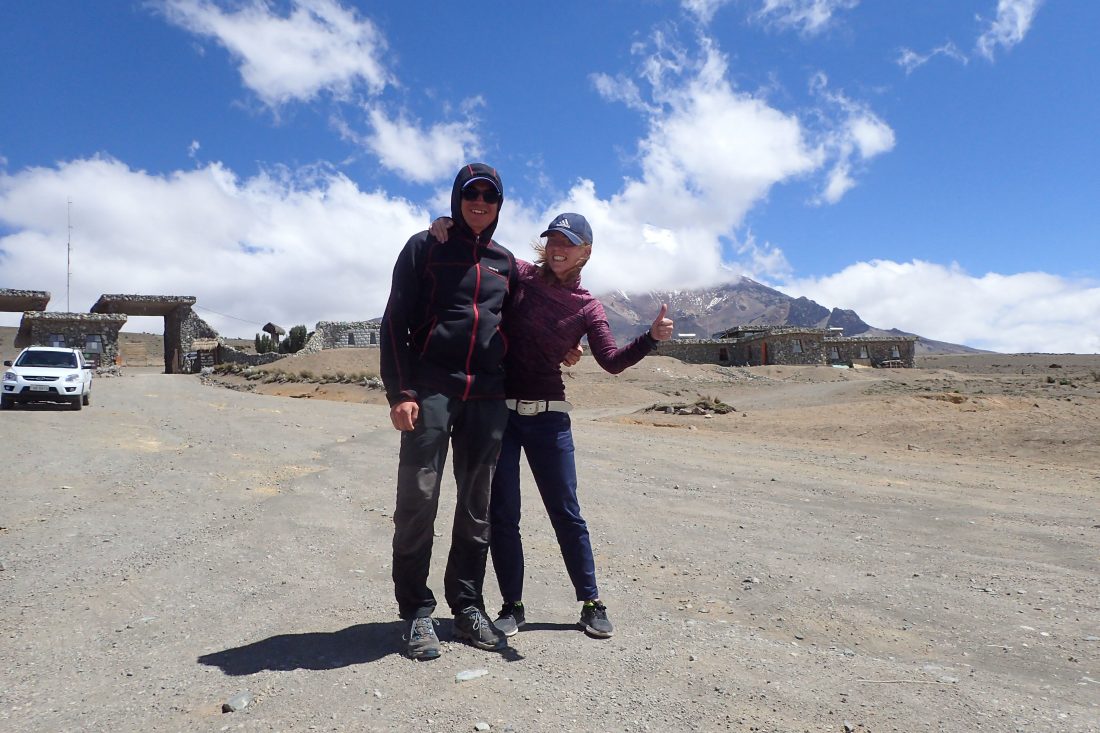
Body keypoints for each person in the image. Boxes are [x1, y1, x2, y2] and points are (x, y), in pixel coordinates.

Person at [430, 211, 674, 639]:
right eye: (553, 240)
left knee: (566, 512)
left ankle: (591, 602)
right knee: (504, 516)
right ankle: (513, 605)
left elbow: (612, 362)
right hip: (501, 414)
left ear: (586, 251)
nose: (558, 248)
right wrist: (444, 224)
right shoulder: (521, 275)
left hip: (550, 420)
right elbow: (482, 251)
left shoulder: (588, 308)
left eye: (569, 241)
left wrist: (651, 338)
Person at [380, 163, 516, 660]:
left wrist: (566, 348)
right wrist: (400, 392)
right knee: (418, 498)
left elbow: (520, 326)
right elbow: (396, 321)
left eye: (490, 195)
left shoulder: (506, 263)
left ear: (500, 205)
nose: (480, 201)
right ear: (457, 197)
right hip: (431, 389)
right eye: (471, 193)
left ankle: (466, 604)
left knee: (476, 508)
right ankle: (416, 610)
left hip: (487, 397)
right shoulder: (426, 247)